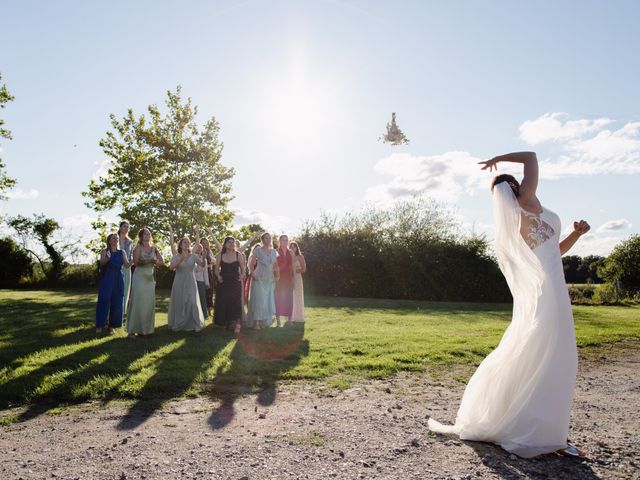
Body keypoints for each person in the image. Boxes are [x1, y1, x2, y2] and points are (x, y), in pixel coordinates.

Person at [428, 152, 591, 458]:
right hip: (550, 292)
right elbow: (531, 156)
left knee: (545, 353)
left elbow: (555, 252)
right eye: (522, 183)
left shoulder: (519, 220)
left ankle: (538, 425)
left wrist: (577, 234)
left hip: (550, 289)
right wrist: (498, 158)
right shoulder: (526, 202)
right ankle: (543, 432)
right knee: (556, 356)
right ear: (517, 187)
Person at [167, 225, 206, 332]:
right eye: (185, 242)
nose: (187, 244)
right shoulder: (176, 255)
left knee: (193, 302)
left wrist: (197, 231)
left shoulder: (193, 256)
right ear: (180, 245)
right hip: (179, 281)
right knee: (180, 302)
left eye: (188, 242)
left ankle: (196, 324)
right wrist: (181, 260)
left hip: (191, 281)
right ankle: (178, 324)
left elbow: (201, 263)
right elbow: (171, 267)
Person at [127, 228, 163, 337]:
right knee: (137, 302)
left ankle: (145, 330)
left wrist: (157, 262)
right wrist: (149, 261)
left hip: (150, 279)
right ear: (141, 236)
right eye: (145, 233)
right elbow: (136, 263)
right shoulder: (137, 248)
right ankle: (132, 330)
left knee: (148, 304)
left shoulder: (154, 248)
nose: (147, 235)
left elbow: (162, 261)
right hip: (139, 278)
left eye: (149, 233)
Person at [96, 233, 129, 334]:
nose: (115, 240)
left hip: (118, 278)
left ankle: (112, 326)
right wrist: (108, 258)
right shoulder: (105, 251)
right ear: (109, 241)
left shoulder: (122, 252)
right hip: (107, 278)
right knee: (104, 300)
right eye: (113, 238)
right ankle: (100, 325)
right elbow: (102, 263)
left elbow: (127, 265)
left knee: (117, 301)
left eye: (117, 238)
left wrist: (134, 261)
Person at [214, 236, 246, 332]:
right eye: (229, 242)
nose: (231, 244)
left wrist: (242, 275)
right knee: (223, 302)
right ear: (225, 244)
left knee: (236, 302)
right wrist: (218, 277)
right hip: (223, 282)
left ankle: (236, 324)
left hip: (235, 282)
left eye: (233, 242)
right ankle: (225, 322)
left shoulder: (238, 254)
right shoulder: (220, 254)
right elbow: (216, 270)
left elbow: (243, 269)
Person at [247, 233, 279, 329]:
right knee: (258, 300)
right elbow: (251, 264)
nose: (269, 239)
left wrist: (278, 276)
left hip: (269, 278)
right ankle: (256, 323)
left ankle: (263, 321)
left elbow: (275, 265)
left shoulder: (273, 251)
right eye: (266, 238)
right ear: (262, 239)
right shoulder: (258, 250)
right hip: (259, 277)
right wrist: (253, 274)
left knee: (266, 301)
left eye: (270, 238)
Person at [275, 234, 294, 326]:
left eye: (286, 240)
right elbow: (274, 266)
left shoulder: (291, 252)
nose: (285, 242)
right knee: (278, 298)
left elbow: (292, 266)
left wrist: (293, 279)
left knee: (289, 299)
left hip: (288, 278)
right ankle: (278, 320)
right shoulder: (275, 252)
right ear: (279, 241)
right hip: (279, 278)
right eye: (283, 240)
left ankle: (289, 320)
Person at [118, 220, 133, 315]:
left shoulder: (130, 241)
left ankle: (121, 313)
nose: (126, 228)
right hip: (116, 267)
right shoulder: (115, 238)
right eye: (124, 226)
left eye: (128, 227)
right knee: (116, 291)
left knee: (125, 290)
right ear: (120, 227)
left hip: (127, 268)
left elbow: (131, 254)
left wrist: (132, 260)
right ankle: (111, 313)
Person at [289, 241, 306, 323]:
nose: (292, 248)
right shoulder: (288, 257)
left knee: (297, 296)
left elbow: (304, 269)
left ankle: (298, 317)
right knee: (290, 297)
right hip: (289, 278)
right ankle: (290, 317)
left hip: (297, 278)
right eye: (291, 247)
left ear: (297, 248)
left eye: (294, 247)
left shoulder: (300, 257)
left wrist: (295, 270)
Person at [194, 242, 210, 320]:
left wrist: (207, 283)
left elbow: (205, 271)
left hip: (201, 280)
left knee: (202, 297)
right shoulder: (192, 257)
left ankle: (204, 314)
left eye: (201, 248)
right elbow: (194, 269)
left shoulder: (204, 259)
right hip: (193, 279)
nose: (199, 249)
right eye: (198, 248)